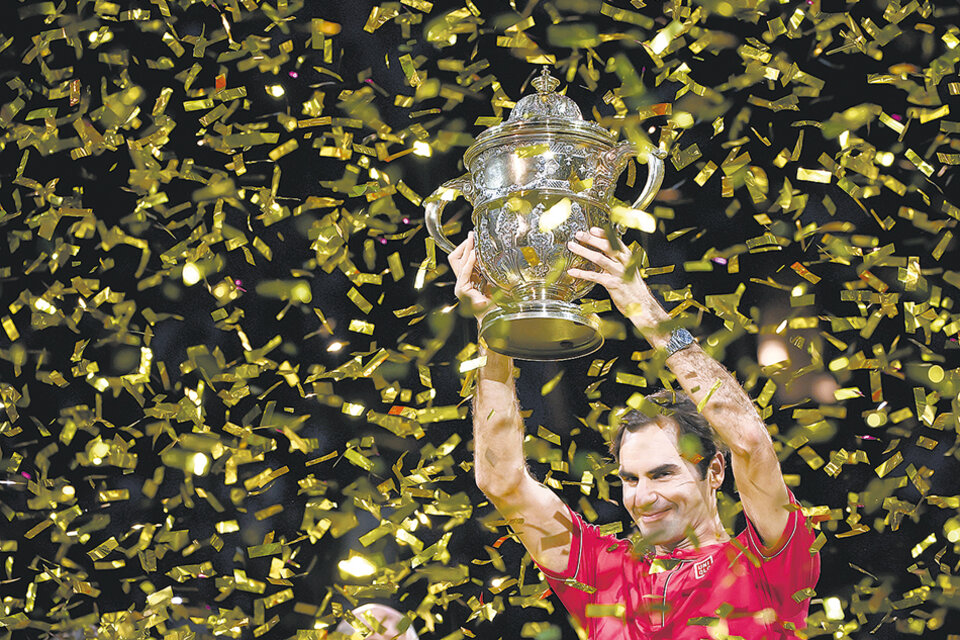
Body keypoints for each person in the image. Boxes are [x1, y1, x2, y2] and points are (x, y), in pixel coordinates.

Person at [447, 227, 821, 639]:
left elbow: (748, 440)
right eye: (630, 478)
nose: (643, 498)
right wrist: (494, 333)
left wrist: (644, 308)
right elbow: (500, 480)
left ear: (714, 470)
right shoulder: (601, 571)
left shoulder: (770, 563)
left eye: (663, 473)